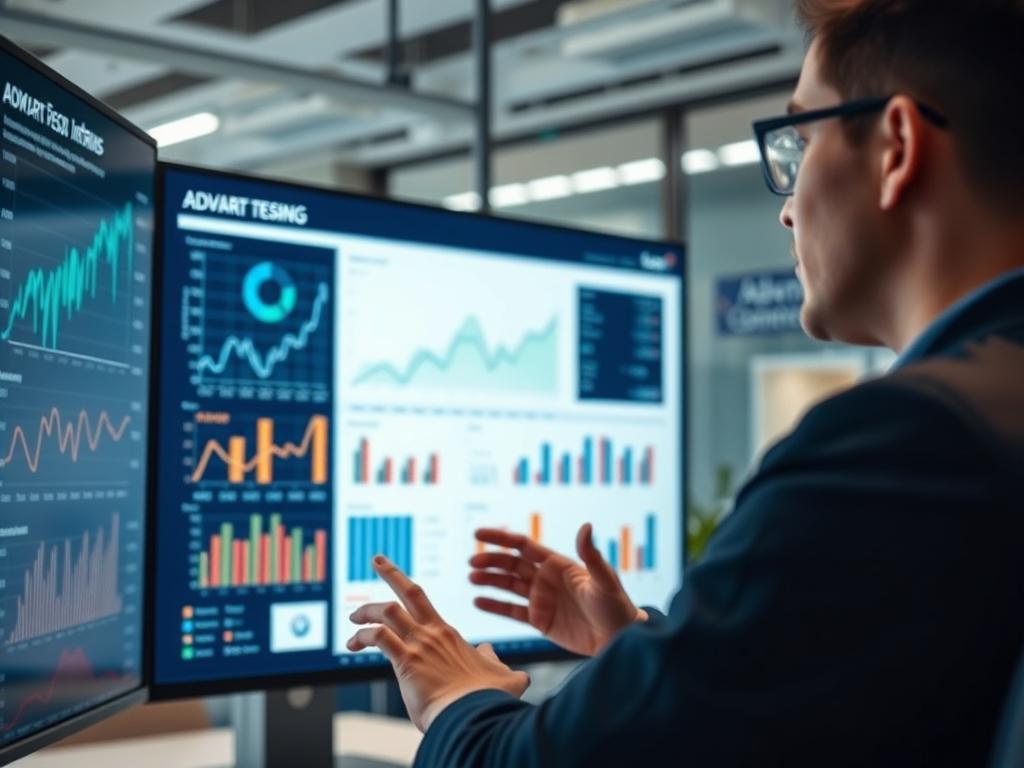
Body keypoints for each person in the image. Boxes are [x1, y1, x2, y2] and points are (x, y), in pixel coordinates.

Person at [347, 0, 1024, 764]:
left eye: (799, 143)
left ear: (896, 146)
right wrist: (648, 658)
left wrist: (453, 698)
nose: (788, 211)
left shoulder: (904, 446)